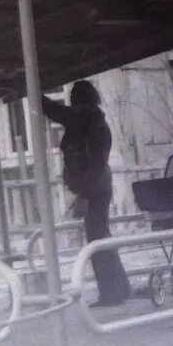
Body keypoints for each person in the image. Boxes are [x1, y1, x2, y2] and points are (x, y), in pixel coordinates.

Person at [41, 80, 131, 307]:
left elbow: (93, 164)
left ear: (80, 102)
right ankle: (119, 287)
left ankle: (112, 293)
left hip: (94, 187)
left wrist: (84, 194)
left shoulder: (83, 121)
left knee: (96, 239)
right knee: (101, 237)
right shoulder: (92, 121)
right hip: (99, 186)